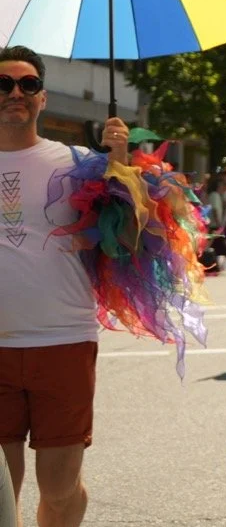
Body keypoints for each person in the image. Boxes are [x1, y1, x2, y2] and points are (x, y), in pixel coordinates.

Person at [0, 46, 129, 527]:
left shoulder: (79, 163)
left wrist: (120, 167)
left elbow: (125, 244)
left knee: (57, 488)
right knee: (0, 496)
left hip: (63, 340)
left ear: (43, 97)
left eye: (27, 84)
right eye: (4, 84)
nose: (16, 92)